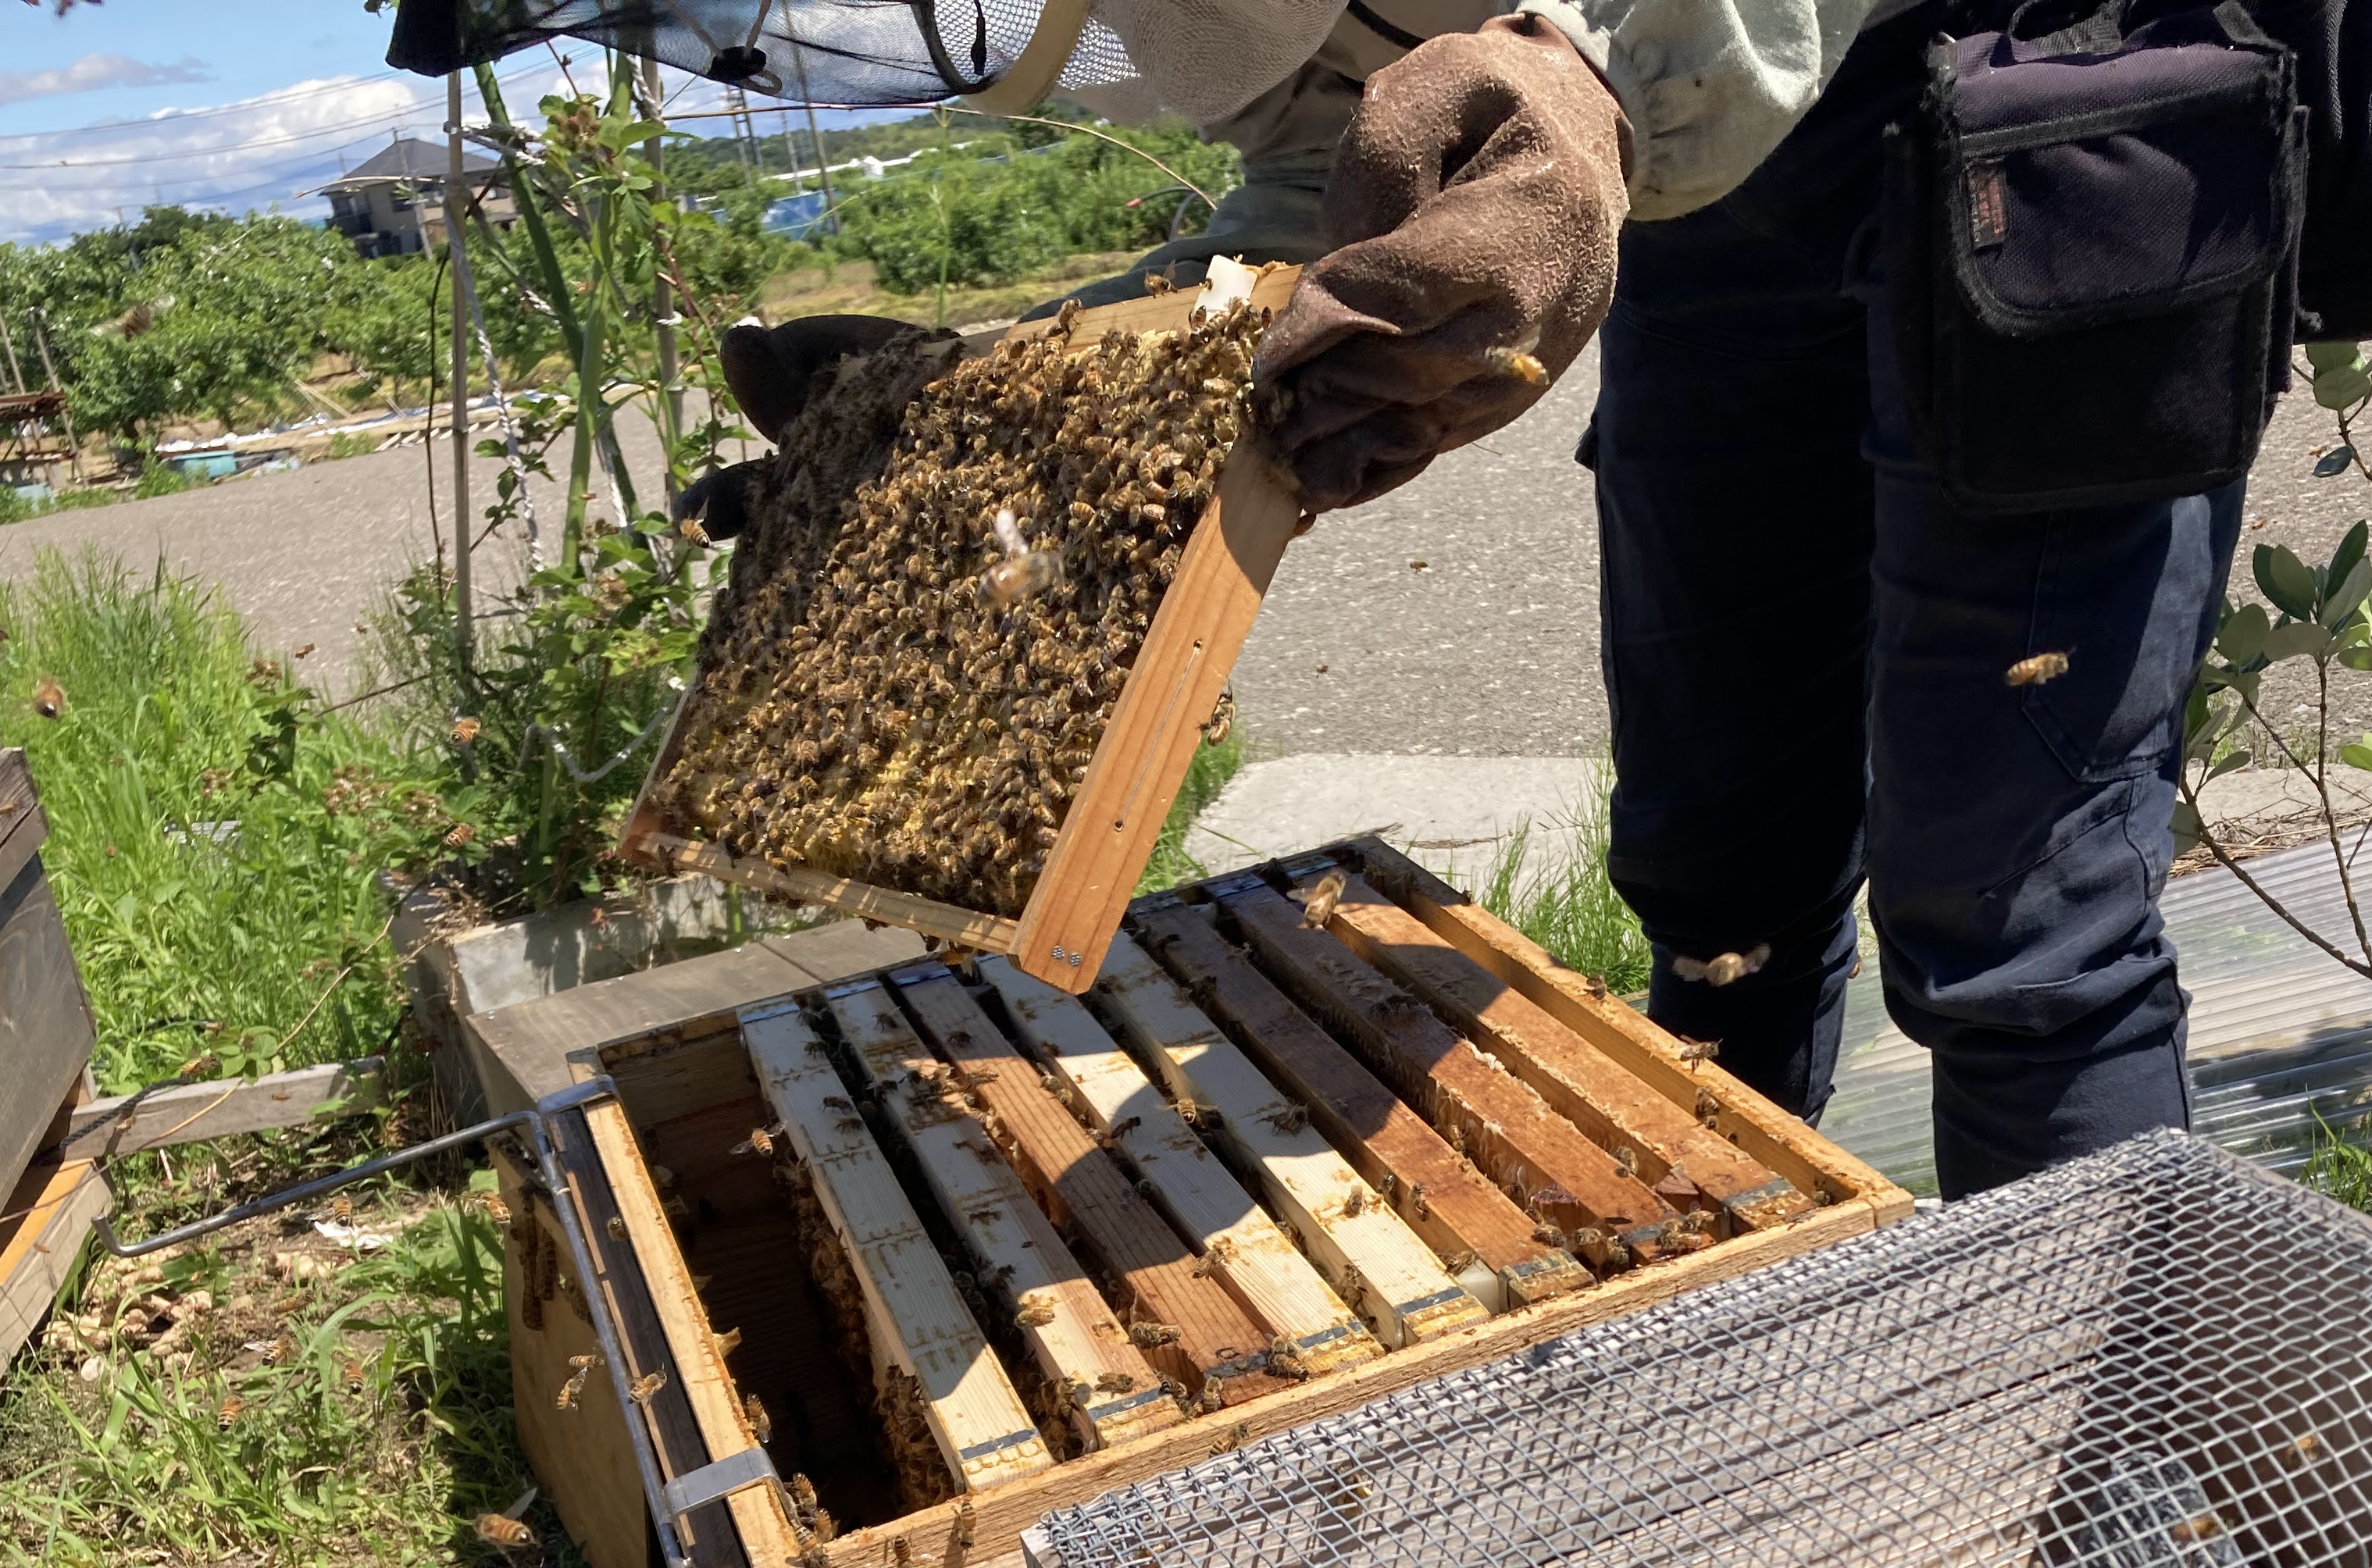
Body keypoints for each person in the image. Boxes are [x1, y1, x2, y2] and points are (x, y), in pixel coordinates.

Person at [713, 0, 2243, 1199]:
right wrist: (1056, 395)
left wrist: (1595, 76)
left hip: (2046, 89)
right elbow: (1337, 170)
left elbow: (1608, 62)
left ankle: (2126, 1538)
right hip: (1700, 194)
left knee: (2013, 932)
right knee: (1719, 883)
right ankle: (1726, 1332)